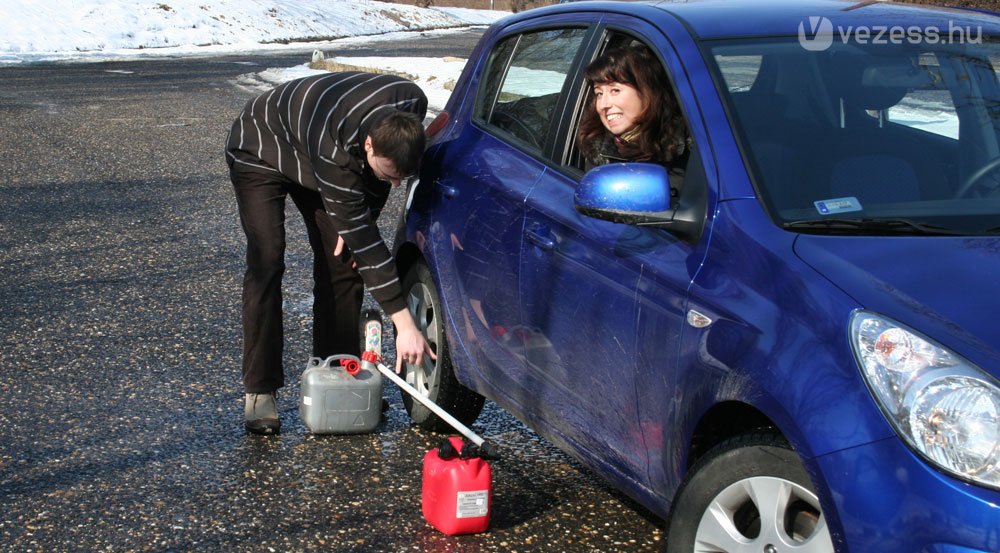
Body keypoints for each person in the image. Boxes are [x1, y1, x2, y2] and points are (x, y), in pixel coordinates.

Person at [225, 71, 436, 435]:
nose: (395, 185)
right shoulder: (335, 150)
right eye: (389, 175)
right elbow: (370, 245)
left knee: (342, 262)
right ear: (370, 144)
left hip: (313, 149)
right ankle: (260, 390)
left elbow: (372, 197)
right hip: (262, 144)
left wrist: (361, 217)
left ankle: (339, 374)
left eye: (402, 178)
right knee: (268, 259)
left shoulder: (411, 104)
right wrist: (404, 325)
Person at [577, 44, 689, 179]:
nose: (603, 105)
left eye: (615, 90)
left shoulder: (692, 147)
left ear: (647, 93)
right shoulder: (596, 149)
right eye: (599, 93)